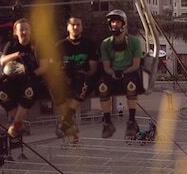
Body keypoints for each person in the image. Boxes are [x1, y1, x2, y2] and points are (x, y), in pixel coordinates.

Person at [97, 9, 144, 139]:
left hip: (129, 72)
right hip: (112, 73)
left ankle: (132, 120)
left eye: (117, 22)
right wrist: (113, 73)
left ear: (123, 24)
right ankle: (107, 122)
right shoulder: (106, 44)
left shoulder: (134, 42)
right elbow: (106, 66)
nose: (114, 25)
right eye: (112, 22)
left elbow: (135, 64)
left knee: (131, 86)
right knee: (102, 87)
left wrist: (123, 72)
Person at [52, 17, 98, 142]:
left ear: (82, 27)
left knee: (83, 82)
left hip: (83, 78)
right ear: (67, 27)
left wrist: (82, 73)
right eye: (72, 25)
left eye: (78, 24)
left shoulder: (89, 44)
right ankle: (69, 123)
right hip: (65, 77)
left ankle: (65, 121)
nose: (75, 27)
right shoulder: (60, 46)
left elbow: (93, 69)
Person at [0, 19, 46, 140]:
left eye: (26, 29)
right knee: (2, 93)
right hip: (13, 78)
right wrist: (16, 55)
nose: (24, 32)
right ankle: (21, 125)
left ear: (30, 31)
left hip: (32, 78)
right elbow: (2, 61)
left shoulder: (38, 45)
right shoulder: (11, 45)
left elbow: (44, 67)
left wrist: (31, 74)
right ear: (16, 32)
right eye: (21, 29)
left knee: (28, 90)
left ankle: (15, 125)